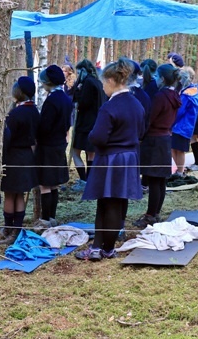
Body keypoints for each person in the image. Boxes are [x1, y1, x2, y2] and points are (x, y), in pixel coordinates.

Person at [75, 59, 145, 261]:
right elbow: (141, 131)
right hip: (129, 157)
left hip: (111, 158)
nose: (103, 86)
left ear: (113, 80)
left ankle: (99, 249)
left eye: (104, 82)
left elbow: (97, 137)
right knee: (119, 202)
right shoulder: (137, 104)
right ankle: (107, 248)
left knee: (106, 203)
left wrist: (90, 137)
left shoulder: (110, 106)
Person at [134, 64, 181, 228]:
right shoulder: (174, 95)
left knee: (155, 180)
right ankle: (156, 212)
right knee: (160, 180)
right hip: (165, 138)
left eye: (156, 77)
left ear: (162, 78)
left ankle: (150, 215)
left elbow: (150, 118)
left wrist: (140, 135)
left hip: (155, 139)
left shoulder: (161, 96)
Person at [0, 76, 40, 245]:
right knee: (19, 195)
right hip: (27, 156)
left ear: (19, 92)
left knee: (10, 194)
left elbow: (7, 137)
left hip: (13, 155)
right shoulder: (34, 111)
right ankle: (16, 230)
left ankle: (10, 230)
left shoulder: (15, 113)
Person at [35, 64, 73, 226]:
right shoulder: (65, 98)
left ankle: (45, 218)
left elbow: (44, 127)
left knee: (45, 185)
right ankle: (52, 217)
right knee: (54, 185)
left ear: (48, 82)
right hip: (59, 144)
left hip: (48, 146)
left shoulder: (51, 101)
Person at [70, 59, 106, 190]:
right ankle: (89, 180)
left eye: (79, 71)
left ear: (83, 71)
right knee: (91, 153)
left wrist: (78, 91)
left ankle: (84, 180)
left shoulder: (87, 83)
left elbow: (83, 102)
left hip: (85, 123)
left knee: (75, 152)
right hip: (95, 122)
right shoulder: (97, 82)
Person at [169, 67, 198, 183]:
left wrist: (170, 120)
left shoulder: (188, 93)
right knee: (174, 148)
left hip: (182, 126)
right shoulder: (189, 91)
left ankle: (180, 171)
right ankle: (178, 170)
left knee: (180, 149)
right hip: (181, 126)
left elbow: (180, 110)